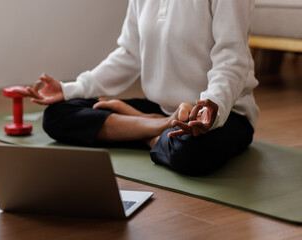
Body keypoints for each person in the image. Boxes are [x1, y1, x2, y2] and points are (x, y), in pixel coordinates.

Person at [15, 0, 259, 176]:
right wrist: (72, 89)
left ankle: (140, 126)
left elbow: (231, 59)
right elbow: (129, 53)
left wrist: (211, 106)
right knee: (58, 115)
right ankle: (158, 127)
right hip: (161, 108)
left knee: (190, 154)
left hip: (220, 114)